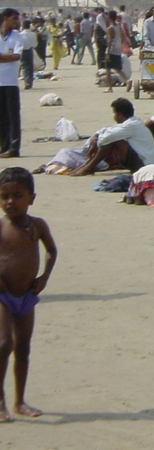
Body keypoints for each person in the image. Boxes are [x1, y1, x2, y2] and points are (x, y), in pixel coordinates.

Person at [0, 166, 57, 420]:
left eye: (18, 195)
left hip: (26, 296)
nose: (10, 202)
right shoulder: (1, 228)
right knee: (4, 344)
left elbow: (52, 251)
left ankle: (19, 402)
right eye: (4, 196)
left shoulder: (38, 226)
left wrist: (44, 277)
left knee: (23, 349)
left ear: (32, 198)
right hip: (2, 295)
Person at [70, 97, 154, 176]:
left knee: (112, 141)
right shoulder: (131, 122)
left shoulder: (131, 125)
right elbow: (108, 130)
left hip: (144, 164)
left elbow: (106, 138)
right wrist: (96, 135)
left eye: (114, 113)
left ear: (120, 114)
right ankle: (88, 165)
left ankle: (89, 167)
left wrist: (94, 144)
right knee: (111, 138)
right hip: (141, 161)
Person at [0, 11, 21, 160]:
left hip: (10, 82)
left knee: (13, 116)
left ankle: (14, 148)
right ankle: (4, 146)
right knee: (2, 117)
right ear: (5, 18)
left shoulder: (17, 37)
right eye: (14, 18)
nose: (16, 21)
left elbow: (16, 56)